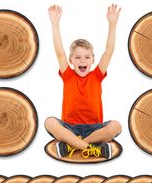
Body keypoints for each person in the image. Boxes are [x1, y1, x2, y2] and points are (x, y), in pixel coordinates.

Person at [45, 4, 122, 159]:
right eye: (78, 57)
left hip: (94, 129)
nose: (83, 60)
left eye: (87, 57)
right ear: (71, 60)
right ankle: (93, 149)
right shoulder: (68, 75)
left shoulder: (97, 76)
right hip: (70, 128)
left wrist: (112, 24)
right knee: (49, 122)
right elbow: (59, 53)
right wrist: (55, 24)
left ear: (93, 60)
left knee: (116, 126)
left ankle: (72, 146)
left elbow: (109, 51)